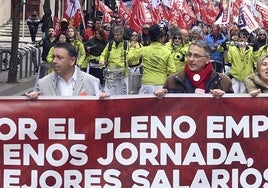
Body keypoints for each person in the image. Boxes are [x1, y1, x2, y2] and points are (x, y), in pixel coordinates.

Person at [154, 40, 233, 99]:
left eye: (196, 56)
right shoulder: (172, 80)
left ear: (207, 59)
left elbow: (233, 111)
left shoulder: (224, 81)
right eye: (189, 55)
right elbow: (163, 112)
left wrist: (224, 98)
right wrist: (160, 96)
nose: (191, 59)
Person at [25, 42, 109, 99]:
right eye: (54, 57)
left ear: (72, 61)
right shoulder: (43, 84)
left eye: (60, 58)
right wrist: (31, 101)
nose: (54, 61)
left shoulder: (92, 82)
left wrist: (104, 101)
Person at [127, 24, 176, 94]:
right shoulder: (167, 52)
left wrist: (132, 48)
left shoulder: (144, 50)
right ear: (161, 38)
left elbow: (130, 58)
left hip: (146, 84)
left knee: (145, 105)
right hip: (161, 85)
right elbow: (172, 71)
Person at [99, 26, 131, 95]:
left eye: (118, 35)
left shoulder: (127, 44)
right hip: (111, 74)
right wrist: (101, 61)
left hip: (123, 75)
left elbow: (132, 55)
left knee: (122, 96)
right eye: (115, 35)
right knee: (109, 94)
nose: (116, 37)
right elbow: (103, 55)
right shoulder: (110, 44)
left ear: (122, 35)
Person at [225, 29, 254, 93]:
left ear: (246, 39)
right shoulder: (232, 48)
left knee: (244, 98)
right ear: (237, 38)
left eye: (244, 37)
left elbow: (254, 61)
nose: (242, 39)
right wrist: (225, 51)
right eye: (240, 37)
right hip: (235, 78)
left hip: (246, 78)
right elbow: (228, 60)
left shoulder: (251, 49)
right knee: (233, 97)